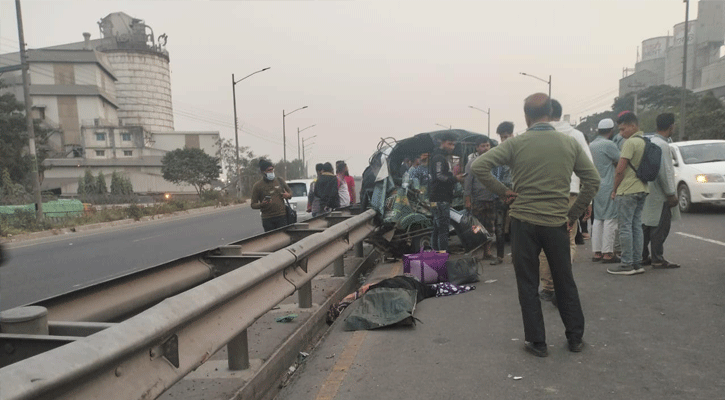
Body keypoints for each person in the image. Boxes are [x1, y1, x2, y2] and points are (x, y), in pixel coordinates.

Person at [471, 93, 600, 357]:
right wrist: (572, 214)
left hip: (523, 223)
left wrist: (504, 191)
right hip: (556, 222)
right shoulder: (569, 143)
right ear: (551, 112)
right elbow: (593, 181)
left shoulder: (516, 144)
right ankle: (575, 338)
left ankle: (537, 342)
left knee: (528, 284)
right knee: (565, 281)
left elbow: (480, 166)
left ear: (526, 116)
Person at [538, 99, 594, 305]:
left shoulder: (534, 135)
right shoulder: (576, 135)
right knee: (568, 240)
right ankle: (562, 285)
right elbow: (589, 172)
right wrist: (589, 202)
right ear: (559, 114)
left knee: (544, 244)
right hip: (570, 194)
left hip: (542, 195)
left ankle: (548, 288)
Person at [608, 111, 649, 276]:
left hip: (627, 190)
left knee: (625, 227)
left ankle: (626, 264)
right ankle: (637, 262)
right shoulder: (646, 141)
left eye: (623, 129)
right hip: (642, 188)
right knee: (636, 226)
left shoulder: (630, 143)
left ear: (633, 126)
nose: (621, 133)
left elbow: (620, 169)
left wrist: (614, 189)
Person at [642, 113, 681, 269]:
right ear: (671, 126)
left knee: (646, 225)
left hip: (648, 190)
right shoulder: (663, 146)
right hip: (660, 193)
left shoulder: (650, 141)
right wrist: (671, 193)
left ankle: (643, 255)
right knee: (660, 227)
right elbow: (664, 171)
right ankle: (657, 258)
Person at [589, 118, 621, 263]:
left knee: (598, 218)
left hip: (596, 184)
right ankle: (608, 252)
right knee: (610, 219)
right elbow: (621, 161)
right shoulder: (609, 144)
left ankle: (597, 252)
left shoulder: (592, 144)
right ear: (611, 130)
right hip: (608, 184)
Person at [428, 132, 465, 252]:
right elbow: (439, 176)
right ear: (442, 143)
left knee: (437, 228)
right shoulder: (439, 157)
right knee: (443, 230)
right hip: (440, 198)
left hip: (437, 198)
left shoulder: (439, 157)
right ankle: (442, 257)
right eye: (449, 144)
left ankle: (436, 255)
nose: (452, 147)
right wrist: (455, 179)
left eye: (453, 144)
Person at [464, 136, 495, 258]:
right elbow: (467, 182)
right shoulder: (472, 163)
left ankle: (487, 252)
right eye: (483, 146)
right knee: (477, 228)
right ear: (477, 148)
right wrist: (467, 200)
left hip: (492, 199)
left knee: (490, 227)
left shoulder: (494, 161)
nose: (486, 148)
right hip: (477, 200)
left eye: (487, 145)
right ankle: (476, 252)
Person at [491, 122, 514, 265]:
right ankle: (500, 256)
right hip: (500, 193)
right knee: (499, 227)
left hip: (516, 193)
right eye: (502, 137)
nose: (504, 140)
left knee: (516, 226)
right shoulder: (498, 151)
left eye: (506, 136)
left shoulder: (519, 149)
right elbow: (493, 174)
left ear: (512, 134)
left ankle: (516, 256)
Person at [250, 159, 292, 232]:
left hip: (282, 216)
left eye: (272, 169)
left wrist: (288, 195)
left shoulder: (279, 181)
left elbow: (290, 193)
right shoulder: (257, 186)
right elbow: (253, 205)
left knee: (283, 239)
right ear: (263, 172)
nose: (271, 172)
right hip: (268, 218)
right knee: (271, 239)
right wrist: (262, 204)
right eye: (269, 170)